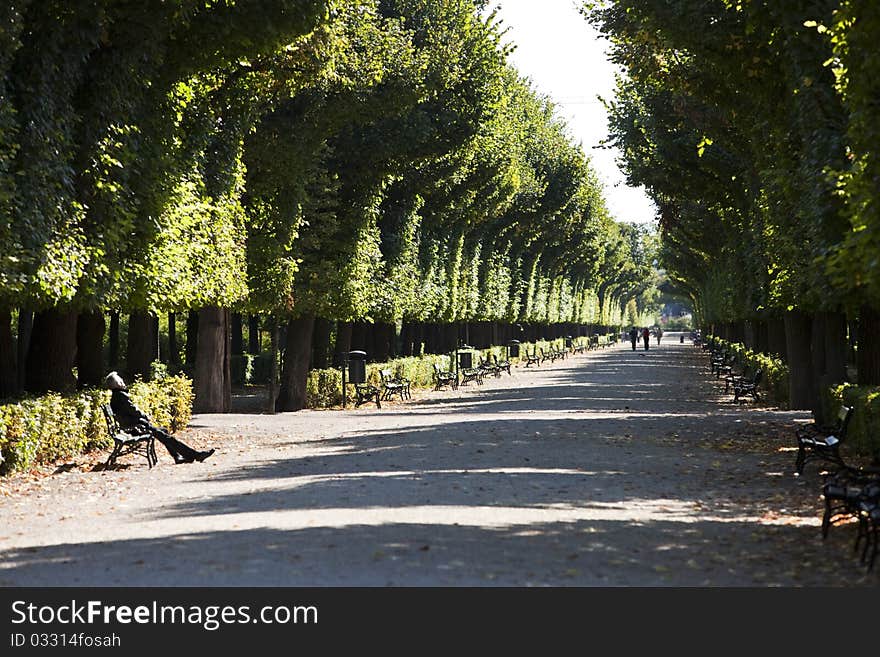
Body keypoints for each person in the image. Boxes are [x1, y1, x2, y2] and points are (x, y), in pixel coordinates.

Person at [105, 372, 214, 464]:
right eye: (121, 380)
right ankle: (195, 455)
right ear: (118, 383)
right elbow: (133, 411)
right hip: (135, 428)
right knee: (165, 436)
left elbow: (131, 411)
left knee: (164, 431)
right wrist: (145, 416)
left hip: (133, 427)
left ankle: (178, 456)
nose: (123, 382)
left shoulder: (117, 396)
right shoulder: (120, 396)